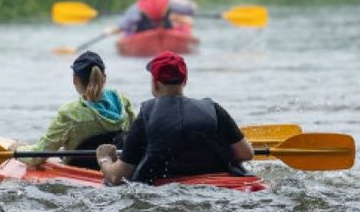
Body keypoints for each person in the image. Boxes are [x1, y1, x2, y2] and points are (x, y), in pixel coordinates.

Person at [95, 52, 253, 185]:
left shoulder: (145, 117)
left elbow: (117, 177)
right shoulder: (214, 109)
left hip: (165, 192)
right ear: (185, 81)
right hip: (220, 187)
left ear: (155, 84)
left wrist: (104, 159)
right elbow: (246, 154)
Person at [26, 51, 135, 169]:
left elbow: (38, 155)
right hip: (116, 167)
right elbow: (135, 138)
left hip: (82, 171)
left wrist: (17, 148)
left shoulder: (70, 113)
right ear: (104, 77)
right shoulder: (123, 102)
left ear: (74, 79)